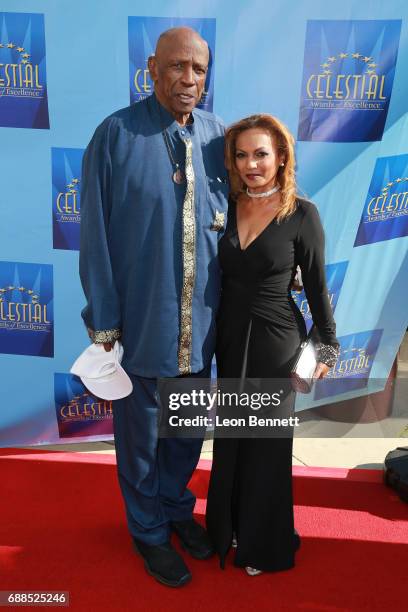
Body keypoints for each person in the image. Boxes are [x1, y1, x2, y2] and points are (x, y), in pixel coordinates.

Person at [79, 27, 228, 588]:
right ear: (152, 67)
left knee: (188, 433)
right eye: (177, 67)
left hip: (204, 324)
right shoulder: (115, 135)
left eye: (199, 70)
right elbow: (93, 234)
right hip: (142, 324)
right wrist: (105, 321)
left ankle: (174, 512)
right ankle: (147, 532)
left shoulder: (219, 138)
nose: (188, 80)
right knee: (140, 441)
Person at [205, 114, 340, 575]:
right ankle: (226, 530)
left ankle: (264, 543)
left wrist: (327, 346)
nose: (251, 164)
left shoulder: (302, 214)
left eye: (261, 153)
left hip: (276, 338)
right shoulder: (224, 203)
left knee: (264, 442)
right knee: (230, 436)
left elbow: (318, 288)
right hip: (228, 335)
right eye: (241, 155)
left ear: (281, 157)